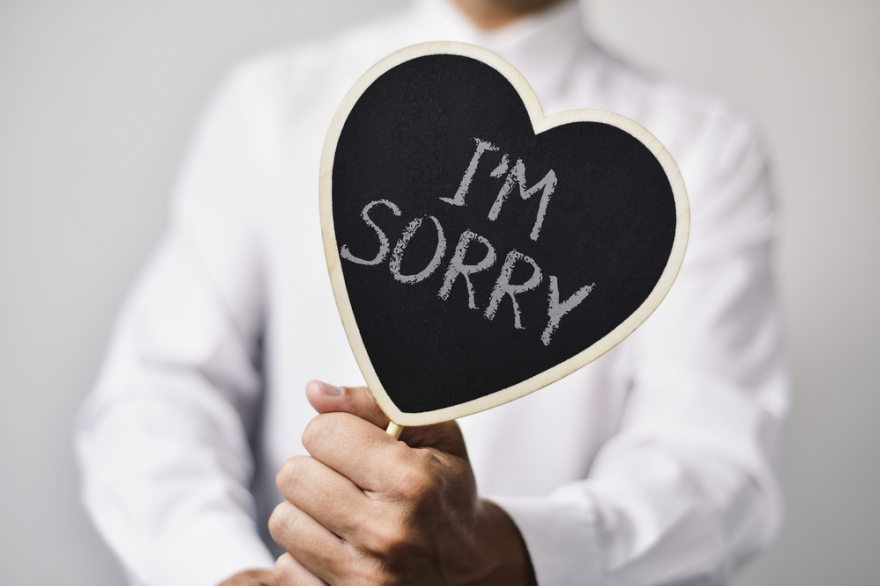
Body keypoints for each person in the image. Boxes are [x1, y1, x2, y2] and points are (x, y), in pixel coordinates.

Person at [75, 0, 789, 584]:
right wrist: (222, 570)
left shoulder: (702, 151)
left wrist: (502, 547)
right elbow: (159, 392)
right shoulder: (272, 101)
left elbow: (714, 466)